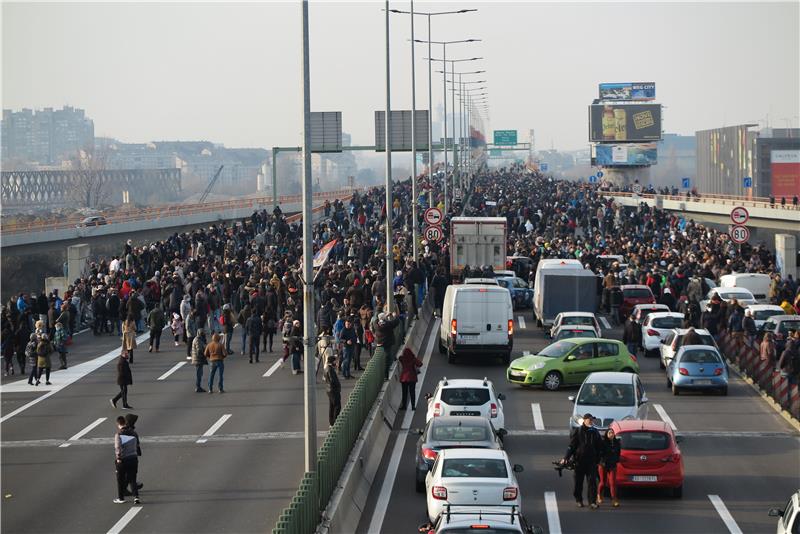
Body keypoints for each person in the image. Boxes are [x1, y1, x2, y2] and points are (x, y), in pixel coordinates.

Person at [560, 413, 603, 509]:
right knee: (578, 482)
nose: (591, 422)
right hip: (579, 462)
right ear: (584, 420)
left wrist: (599, 458)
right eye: (589, 420)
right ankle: (579, 500)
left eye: (592, 420)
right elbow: (571, 446)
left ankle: (592, 502)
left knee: (592, 482)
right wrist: (565, 458)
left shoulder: (595, 432)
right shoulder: (578, 431)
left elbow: (600, 446)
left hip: (591, 462)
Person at [113, 415, 141, 504]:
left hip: (123, 460)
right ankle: (136, 497)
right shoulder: (134, 433)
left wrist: (118, 458)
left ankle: (121, 498)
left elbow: (118, 447)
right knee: (133, 478)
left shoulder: (118, 435)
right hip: (133, 458)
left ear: (118, 424)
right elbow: (137, 445)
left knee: (120, 479)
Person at [597, 428, 621, 508]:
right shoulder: (603, 443)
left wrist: (616, 460)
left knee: (612, 483)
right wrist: (602, 461)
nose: (611, 434)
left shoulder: (617, 443)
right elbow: (599, 453)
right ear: (607, 435)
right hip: (603, 465)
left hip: (612, 465)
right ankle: (599, 495)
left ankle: (614, 500)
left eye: (612, 433)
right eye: (609, 433)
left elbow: (618, 453)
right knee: (603, 482)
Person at [324, 354, 341, 426]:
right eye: (335, 361)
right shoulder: (330, 370)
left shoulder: (327, 368)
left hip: (329, 390)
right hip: (333, 390)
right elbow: (332, 380)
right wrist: (338, 387)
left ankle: (332, 422)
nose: (336, 363)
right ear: (333, 362)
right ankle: (334, 422)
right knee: (337, 406)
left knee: (332, 406)